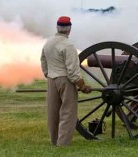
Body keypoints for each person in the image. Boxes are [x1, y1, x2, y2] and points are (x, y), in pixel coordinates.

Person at [40, 16, 91, 146]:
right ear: (69, 29)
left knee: (53, 112)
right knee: (68, 112)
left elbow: (43, 61)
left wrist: (48, 74)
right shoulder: (68, 46)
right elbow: (72, 71)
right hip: (66, 81)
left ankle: (54, 141)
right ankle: (62, 143)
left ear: (57, 27)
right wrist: (82, 86)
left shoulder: (48, 43)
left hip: (52, 80)